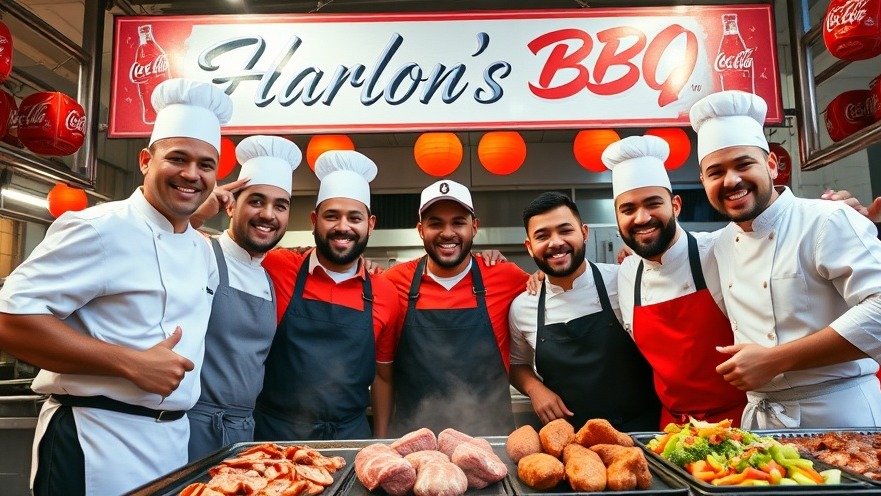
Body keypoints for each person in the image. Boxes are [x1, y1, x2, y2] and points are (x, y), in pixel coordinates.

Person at [0, 78, 232, 495]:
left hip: (171, 444)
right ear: (146, 160)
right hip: (94, 437)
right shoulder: (98, 227)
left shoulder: (202, 251)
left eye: (205, 164)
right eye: (177, 158)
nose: (191, 175)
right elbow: (10, 320)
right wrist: (130, 363)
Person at [690, 89, 881, 429]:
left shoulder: (827, 220)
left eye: (744, 164)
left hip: (843, 415)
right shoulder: (719, 245)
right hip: (764, 424)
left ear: (772, 165)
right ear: (703, 182)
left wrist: (775, 360)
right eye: (716, 171)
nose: (731, 180)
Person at [254, 150, 400, 440]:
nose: (342, 227)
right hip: (273, 435)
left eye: (354, 218)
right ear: (314, 219)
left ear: (370, 224)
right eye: (331, 216)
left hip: (350, 437)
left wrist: (381, 441)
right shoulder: (275, 266)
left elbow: (383, 377)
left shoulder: (385, 292)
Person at [603, 135, 746, 428]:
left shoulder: (723, 249)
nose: (641, 218)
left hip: (738, 423)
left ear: (676, 205)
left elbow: (778, 235)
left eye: (653, 204)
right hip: (672, 430)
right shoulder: (627, 272)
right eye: (628, 209)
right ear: (617, 217)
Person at [383, 179, 530, 436]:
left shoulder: (507, 276)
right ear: (420, 229)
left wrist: (541, 277)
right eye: (436, 223)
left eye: (458, 222)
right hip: (414, 442)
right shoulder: (392, 281)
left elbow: (553, 291)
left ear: (474, 227)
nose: (448, 233)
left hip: (491, 440)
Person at [188, 136, 302, 460]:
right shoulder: (202, 252)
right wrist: (196, 214)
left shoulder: (269, 277)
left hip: (245, 433)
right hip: (191, 426)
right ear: (230, 204)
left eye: (280, 206)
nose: (268, 214)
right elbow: (160, 239)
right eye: (256, 201)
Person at [508, 191, 660, 431]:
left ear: (584, 232)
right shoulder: (523, 307)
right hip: (572, 442)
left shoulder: (623, 279)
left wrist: (640, 253)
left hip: (643, 432)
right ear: (529, 246)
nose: (556, 242)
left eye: (565, 230)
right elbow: (517, 364)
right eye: (542, 236)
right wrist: (534, 388)